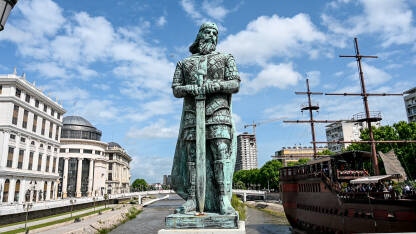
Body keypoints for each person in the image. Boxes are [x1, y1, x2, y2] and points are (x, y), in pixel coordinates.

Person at [170, 22, 240, 215]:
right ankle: (193, 198)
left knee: (221, 151)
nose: (211, 35)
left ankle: (223, 199)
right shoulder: (184, 63)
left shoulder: (226, 58)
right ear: (199, 35)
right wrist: (189, 89)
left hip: (219, 112)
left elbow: (235, 83)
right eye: (207, 31)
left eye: (214, 33)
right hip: (193, 114)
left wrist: (217, 85)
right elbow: (176, 88)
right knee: (192, 156)